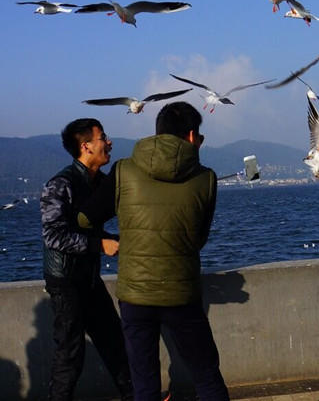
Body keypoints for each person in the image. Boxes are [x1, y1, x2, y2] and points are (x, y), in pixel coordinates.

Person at [78, 102, 229, 401]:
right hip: (181, 295)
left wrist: (123, 237)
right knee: (206, 376)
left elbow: (84, 219)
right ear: (190, 136)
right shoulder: (206, 179)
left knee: (144, 383)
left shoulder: (123, 170)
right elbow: (198, 238)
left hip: (135, 296)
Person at [40, 118, 133, 401]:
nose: (109, 143)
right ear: (86, 146)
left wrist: (110, 239)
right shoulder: (60, 185)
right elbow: (53, 236)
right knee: (70, 355)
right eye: (103, 137)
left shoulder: (102, 183)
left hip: (89, 279)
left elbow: (90, 227)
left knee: (116, 345)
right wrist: (99, 244)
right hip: (66, 283)